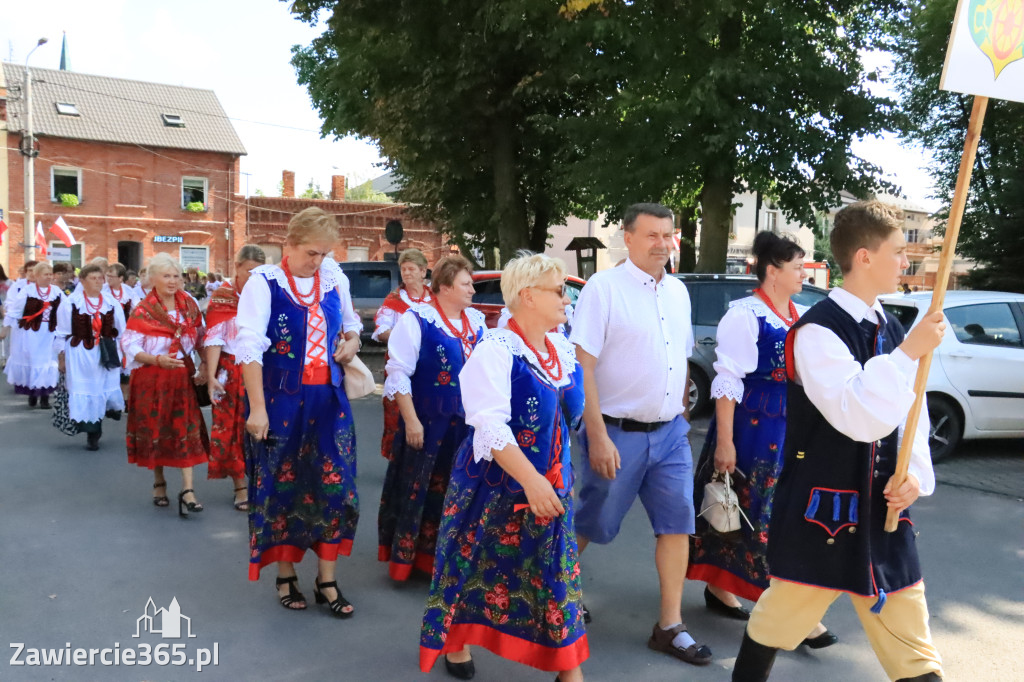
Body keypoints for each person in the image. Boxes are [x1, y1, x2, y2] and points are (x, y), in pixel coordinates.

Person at [732, 201, 945, 682]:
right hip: (824, 511)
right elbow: (857, 415)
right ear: (865, 257)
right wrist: (909, 352)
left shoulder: (889, 325)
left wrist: (914, 476)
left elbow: (911, 411)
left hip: (885, 515)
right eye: (896, 253)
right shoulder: (817, 331)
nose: (904, 263)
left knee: (914, 648)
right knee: (775, 622)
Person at [420, 253, 587, 682]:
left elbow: (566, 420)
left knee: (554, 574)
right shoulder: (495, 350)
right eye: (558, 290)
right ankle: (455, 641)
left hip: (551, 485)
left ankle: (568, 668)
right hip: (495, 487)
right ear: (528, 296)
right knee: (473, 565)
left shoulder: (561, 348)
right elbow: (488, 425)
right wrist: (530, 479)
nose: (567, 298)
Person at [569, 202, 711, 666]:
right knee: (593, 522)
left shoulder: (679, 292)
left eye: (668, 235)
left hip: (670, 434)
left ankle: (670, 626)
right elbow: (582, 367)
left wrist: (683, 412)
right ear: (627, 239)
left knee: (677, 525)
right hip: (615, 432)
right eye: (652, 235)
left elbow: (682, 356)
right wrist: (596, 436)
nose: (663, 244)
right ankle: (556, 592)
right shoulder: (603, 290)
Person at [687, 233, 837, 648]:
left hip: (789, 425)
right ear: (774, 270)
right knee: (749, 510)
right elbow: (727, 379)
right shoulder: (745, 315)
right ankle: (795, 617)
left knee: (777, 513)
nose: (802, 274)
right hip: (752, 426)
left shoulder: (797, 314)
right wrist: (724, 443)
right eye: (797, 267)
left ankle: (721, 589)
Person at [236, 207, 362, 616]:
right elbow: (250, 347)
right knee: (282, 486)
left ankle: (327, 579)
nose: (318, 261)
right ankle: (286, 573)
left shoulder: (332, 278)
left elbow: (350, 321)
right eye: (312, 252)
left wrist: (353, 342)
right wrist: (257, 408)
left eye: (324, 253)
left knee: (334, 485)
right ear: (288, 245)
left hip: (328, 397)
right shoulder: (264, 284)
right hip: (281, 400)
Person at [378, 255, 484, 581]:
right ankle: (414, 560)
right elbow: (398, 373)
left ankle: (451, 559)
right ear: (446, 286)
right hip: (429, 424)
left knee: (461, 493)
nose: (472, 291)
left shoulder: (477, 322)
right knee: (420, 489)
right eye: (467, 284)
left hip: (467, 428)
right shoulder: (417, 320)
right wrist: (410, 421)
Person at [122, 253, 209, 514]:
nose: (173, 281)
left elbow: (201, 337)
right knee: (156, 428)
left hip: (181, 376)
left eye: (176, 276)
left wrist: (204, 364)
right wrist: (157, 359)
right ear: (153, 279)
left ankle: (188, 489)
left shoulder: (189, 305)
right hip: (152, 378)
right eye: (166, 276)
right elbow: (129, 345)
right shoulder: (144, 309)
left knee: (185, 428)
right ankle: (159, 481)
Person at [205, 245, 266, 512]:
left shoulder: (266, 294)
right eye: (249, 271)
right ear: (237, 268)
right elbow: (215, 340)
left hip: (262, 367)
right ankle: (240, 485)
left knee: (265, 425)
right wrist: (210, 376)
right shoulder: (223, 297)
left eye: (258, 272)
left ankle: (263, 482)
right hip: (231, 367)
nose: (253, 277)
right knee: (232, 427)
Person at [53, 264, 126, 450]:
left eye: (100, 278)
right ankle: (91, 432)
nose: (98, 282)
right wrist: (62, 359)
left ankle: (97, 426)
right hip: (80, 354)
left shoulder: (111, 303)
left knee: (102, 390)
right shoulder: (71, 303)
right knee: (86, 390)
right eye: (93, 278)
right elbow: (61, 333)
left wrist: (124, 354)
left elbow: (122, 331)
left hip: (106, 352)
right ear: (83, 281)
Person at [372, 248, 433, 461]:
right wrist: (405, 339)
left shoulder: (435, 298)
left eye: (411, 269)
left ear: (423, 271)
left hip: (430, 365)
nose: (406, 273)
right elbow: (381, 330)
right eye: (403, 269)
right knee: (397, 412)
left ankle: (426, 455)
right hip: (401, 364)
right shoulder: (394, 299)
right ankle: (398, 456)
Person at [3, 261, 65, 408]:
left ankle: (44, 397)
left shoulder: (56, 292)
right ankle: (33, 394)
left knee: (48, 362)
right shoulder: (27, 291)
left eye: (50, 274)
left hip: (49, 332)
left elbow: (66, 309)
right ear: (37, 276)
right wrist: (5, 328)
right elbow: (16, 310)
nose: (49, 277)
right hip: (31, 333)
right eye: (45, 274)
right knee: (33, 362)